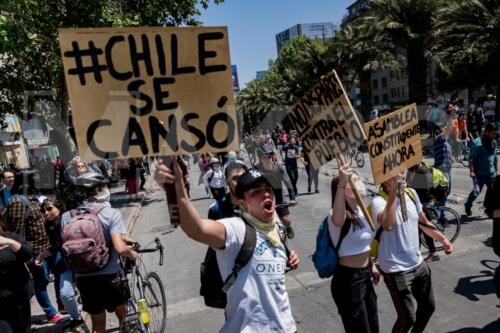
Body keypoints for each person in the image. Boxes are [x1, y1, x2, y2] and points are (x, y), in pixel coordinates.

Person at [155, 160, 299, 332]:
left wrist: (289, 258)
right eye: (256, 192)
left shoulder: (274, 224)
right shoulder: (237, 229)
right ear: (242, 204)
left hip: (287, 327)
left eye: (268, 190)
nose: (266, 195)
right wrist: (177, 185)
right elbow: (196, 228)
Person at [370, 173, 453, 333]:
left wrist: (443, 239)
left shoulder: (411, 193)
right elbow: (387, 224)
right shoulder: (378, 202)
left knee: (428, 307)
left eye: (403, 170)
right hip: (396, 270)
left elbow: (424, 222)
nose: (402, 173)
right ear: (384, 179)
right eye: (395, 172)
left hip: (418, 263)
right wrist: (394, 192)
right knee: (407, 319)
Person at [60, 172, 139, 333]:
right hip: (111, 276)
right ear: (98, 190)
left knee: (98, 325)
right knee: (124, 319)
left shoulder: (66, 217)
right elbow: (120, 248)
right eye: (103, 187)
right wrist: (133, 254)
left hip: (84, 278)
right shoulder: (111, 214)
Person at [329, 162, 380, 333]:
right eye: (354, 180)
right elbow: (337, 220)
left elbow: (362, 245)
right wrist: (343, 182)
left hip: (364, 274)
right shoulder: (337, 215)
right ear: (343, 189)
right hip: (348, 280)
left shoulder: (361, 212)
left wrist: (371, 265)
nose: (359, 183)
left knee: (373, 325)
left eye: (358, 179)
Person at [37, 197, 84, 331]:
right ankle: (76, 318)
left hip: (82, 259)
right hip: (65, 262)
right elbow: (56, 245)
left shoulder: (69, 218)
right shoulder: (48, 224)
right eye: (43, 210)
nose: (45, 212)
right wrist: (42, 254)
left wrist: (43, 254)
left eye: (49, 209)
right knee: (65, 294)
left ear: (58, 207)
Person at [407, 162, 450, 262]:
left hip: (425, 202)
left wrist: (413, 190)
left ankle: (421, 255)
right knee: (422, 228)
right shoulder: (413, 169)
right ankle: (430, 253)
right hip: (419, 202)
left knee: (421, 228)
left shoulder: (423, 171)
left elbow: (426, 190)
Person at [255, 143, 297, 239]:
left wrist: (292, 198)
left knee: (285, 219)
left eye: (270, 156)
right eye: (264, 157)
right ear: (260, 158)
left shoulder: (279, 168)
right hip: (264, 198)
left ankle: (288, 227)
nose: (268, 159)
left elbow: (288, 183)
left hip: (279, 197)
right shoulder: (256, 170)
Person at [0, 217, 33, 333]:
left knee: (23, 329)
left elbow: (28, 254)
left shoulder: (11, 237)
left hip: (19, 296)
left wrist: (10, 243)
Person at [464, 122, 498, 216]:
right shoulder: (477, 143)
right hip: (479, 174)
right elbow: (471, 159)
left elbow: (495, 158)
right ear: (487, 132)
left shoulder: (494, 143)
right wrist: (471, 171)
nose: (494, 136)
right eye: (493, 133)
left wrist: (497, 172)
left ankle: (489, 209)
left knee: (494, 192)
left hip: (491, 174)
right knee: (476, 192)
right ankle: (468, 204)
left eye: (495, 134)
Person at [433, 125, 453, 191]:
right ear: (437, 130)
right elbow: (444, 133)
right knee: (444, 190)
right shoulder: (438, 138)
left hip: (448, 168)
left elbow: (447, 152)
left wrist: (451, 158)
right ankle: (439, 201)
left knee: (448, 190)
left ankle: (439, 200)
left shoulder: (446, 141)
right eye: (443, 127)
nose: (445, 127)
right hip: (441, 168)